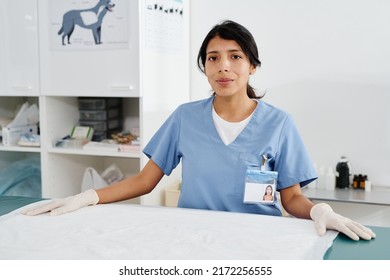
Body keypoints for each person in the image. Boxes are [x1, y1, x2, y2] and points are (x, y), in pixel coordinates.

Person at [25, 20, 375, 241]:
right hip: (192, 237)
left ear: (252, 66)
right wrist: (87, 197)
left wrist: (319, 211)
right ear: (204, 68)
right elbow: (146, 181)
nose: (223, 66)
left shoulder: (279, 123)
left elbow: (291, 198)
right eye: (212, 57)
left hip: (257, 239)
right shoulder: (185, 118)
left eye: (235, 56)